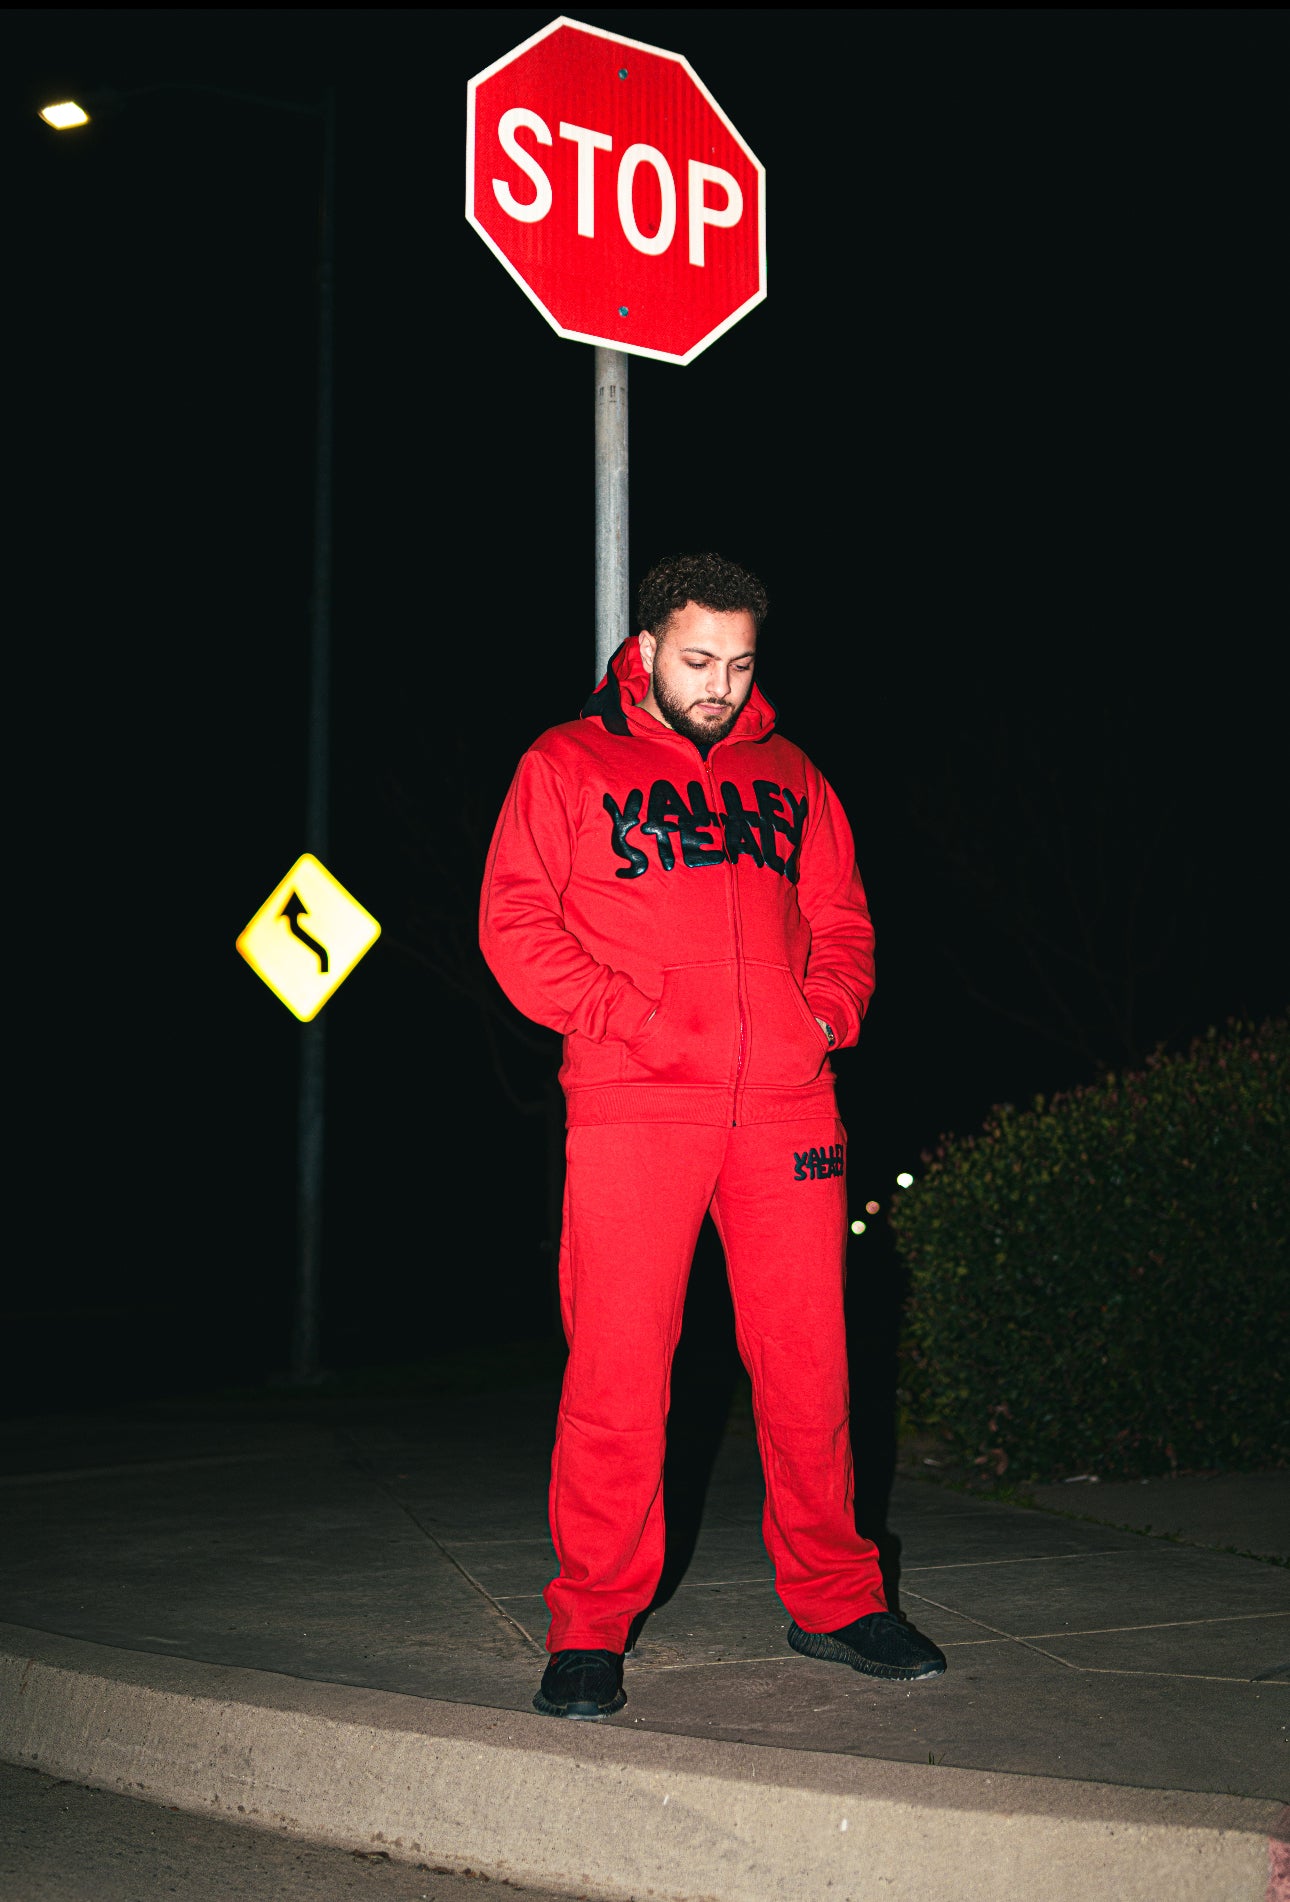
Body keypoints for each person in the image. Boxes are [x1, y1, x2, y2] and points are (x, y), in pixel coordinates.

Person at [479, 551, 946, 1719]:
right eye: (698, 661)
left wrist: (825, 1016)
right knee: (620, 1370)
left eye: (740, 665)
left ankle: (838, 1601)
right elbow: (515, 924)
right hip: (637, 1102)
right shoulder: (566, 762)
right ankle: (591, 1624)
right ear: (644, 651)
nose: (721, 686)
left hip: (789, 1108)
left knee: (808, 1364)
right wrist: (633, 1021)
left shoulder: (794, 776)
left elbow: (842, 920)